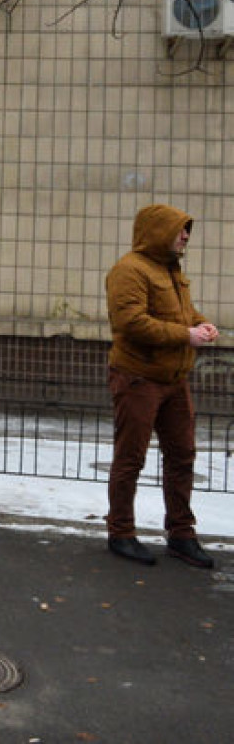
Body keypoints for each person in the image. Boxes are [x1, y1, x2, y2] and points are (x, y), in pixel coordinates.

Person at [104, 203, 219, 568]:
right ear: (158, 231)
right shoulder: (129, 270)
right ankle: (121, 532)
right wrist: (186, 335)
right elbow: (131, 322)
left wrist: (201, 324)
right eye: (180, 229)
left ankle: (182, 535)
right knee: (131, 457)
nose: (186, 236)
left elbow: (182, 313)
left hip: (173, 379)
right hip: (138, 377)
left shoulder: (171, 270)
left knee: (183, 455)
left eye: (187, 229)